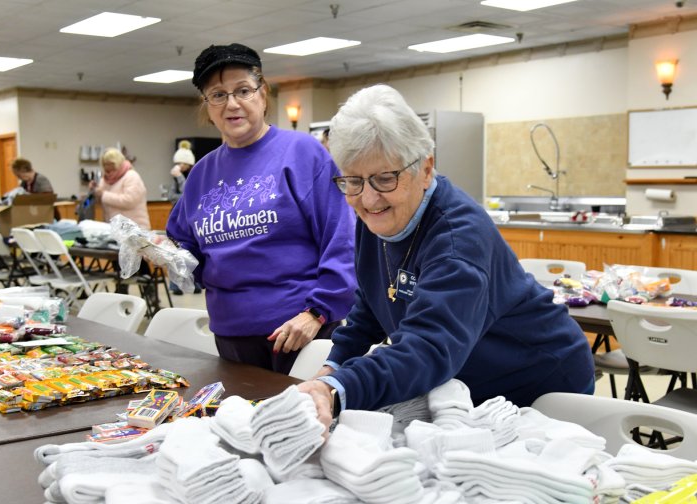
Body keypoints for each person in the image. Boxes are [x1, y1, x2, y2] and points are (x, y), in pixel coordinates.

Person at [297, 85, 595, 430]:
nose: (367, 198)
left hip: (540, 385)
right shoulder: (377, 216)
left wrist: (339, 389)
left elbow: (428, 348)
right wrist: (330, 371)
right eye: (352, 180)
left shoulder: (458, 237)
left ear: (425, 169)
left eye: (384, 178)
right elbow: (369, 309)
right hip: (469, 381)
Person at [166, 43, 357, 374]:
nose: (233, 104)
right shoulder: (201, 174)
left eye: (243, 90)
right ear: (207, 105)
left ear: (262, 93)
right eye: (218, 95)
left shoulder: (303, 153)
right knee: (240, 423)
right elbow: (187, 248)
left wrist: (318, 312)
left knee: (304, 423)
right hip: (230, 334)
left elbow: (342, 238)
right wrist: (161, 252)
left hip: (299, 331)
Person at [168, 140, 201, 295]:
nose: (180, 166)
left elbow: (190, 195)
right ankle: (175, 285)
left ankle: (197, 283)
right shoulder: (176, 177)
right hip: (177, 219)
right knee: (176, 252)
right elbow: (172, 196)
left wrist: (181, 178)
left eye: (183, 163)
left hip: (192, 219)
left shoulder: (195, 175)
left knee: (194, 251)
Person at [91, 147, 150, 230]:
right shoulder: (104, 180)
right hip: (115, 230)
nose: (107, 166)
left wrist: (103, 194)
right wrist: (94, 191)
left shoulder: (131, 176)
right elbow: (101, 202)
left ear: (117, 162)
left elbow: (129, 201)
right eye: (104, 164)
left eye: (110, 163)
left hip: (134, 230)